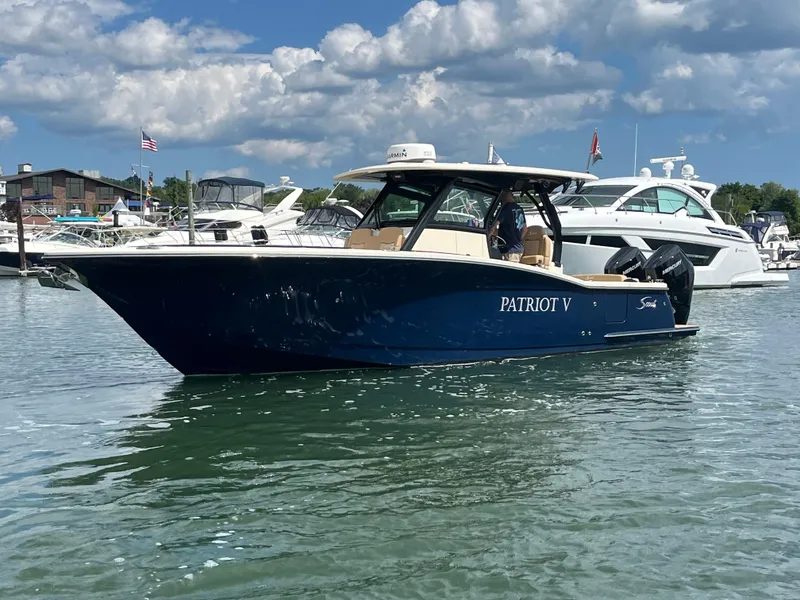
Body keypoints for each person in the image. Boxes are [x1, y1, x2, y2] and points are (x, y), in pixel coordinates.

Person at [490, 190, 527, 262]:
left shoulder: (504, 210)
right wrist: (517, 240)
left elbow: (493, 227)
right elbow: (525, 229)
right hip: (519, 249)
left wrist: (487, 238)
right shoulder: (520, 209)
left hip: (508, 250)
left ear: (504, 197)